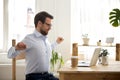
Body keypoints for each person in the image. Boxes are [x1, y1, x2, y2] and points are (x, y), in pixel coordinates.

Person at [8, 11, 64, 80]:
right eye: (48, 25)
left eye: (50, 25)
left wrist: (56, 42)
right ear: (39, 23)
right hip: (34, 77)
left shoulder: (45, 40)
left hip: (47, 76)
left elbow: (46, 50)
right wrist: (16, 48)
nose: (50, 28)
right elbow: (10, 55)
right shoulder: (29, 39)